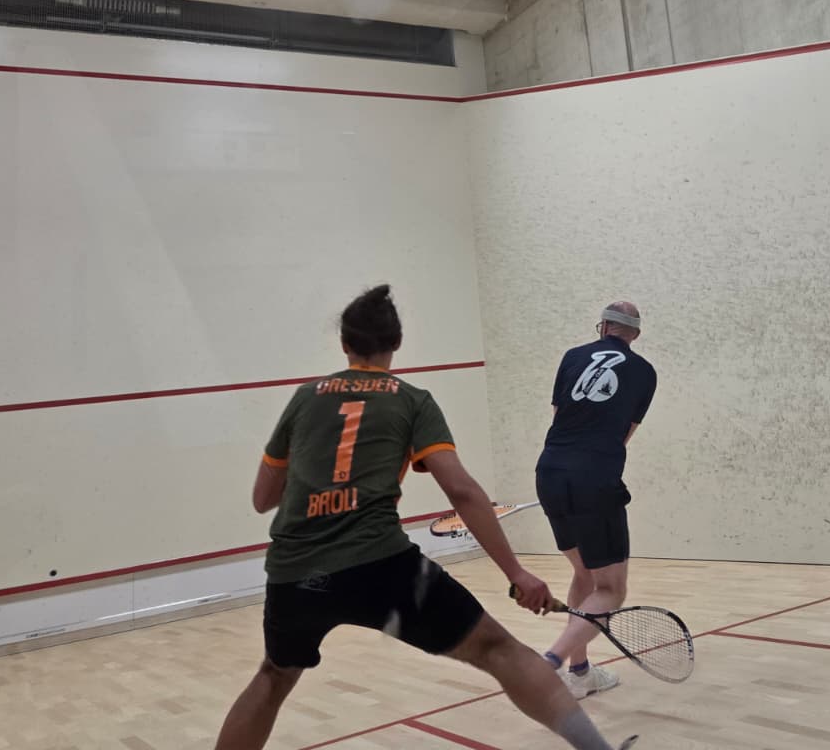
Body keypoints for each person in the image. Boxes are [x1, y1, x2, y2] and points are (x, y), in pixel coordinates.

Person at [213, 284, 636, 750]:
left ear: (345, 343)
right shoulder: (410, 400)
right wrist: (516, 573)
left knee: (273, 675)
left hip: (295, 571)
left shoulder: (305, 397)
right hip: (380, 566)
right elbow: (461, 490)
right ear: (396, 343)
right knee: (498, 650)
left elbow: (263, 498)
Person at [535, 302, 657, 699]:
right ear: (635, 335)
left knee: (585, 574)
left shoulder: (572, 357)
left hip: (550, 472)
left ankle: (580, 673)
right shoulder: (644, 372)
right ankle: (549, 663)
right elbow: (624, 435)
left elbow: (560, 416)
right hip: (595, 479)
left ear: (603, 327)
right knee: (610, 590)